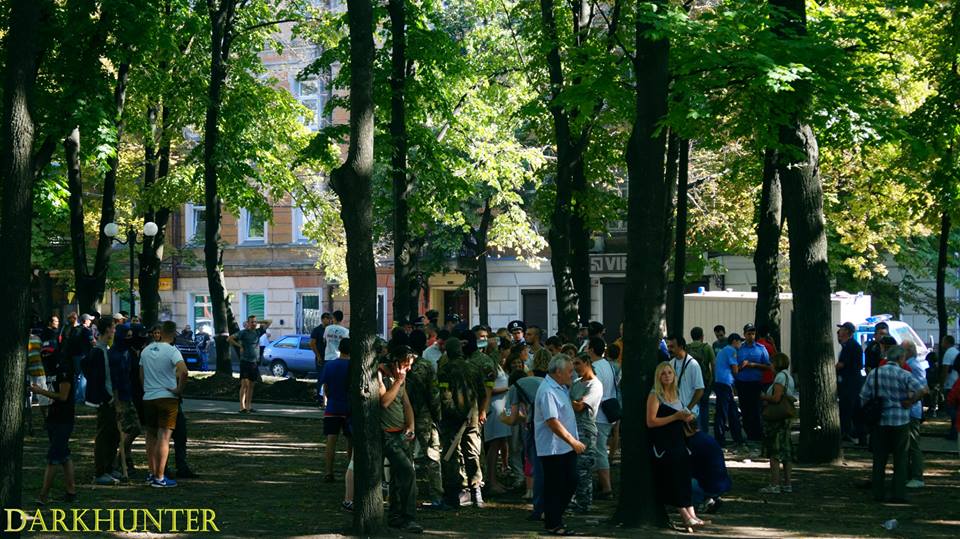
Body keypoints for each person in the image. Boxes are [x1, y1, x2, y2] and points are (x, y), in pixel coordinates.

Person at [860, 345, 928, 502]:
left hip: (880, 421)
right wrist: (910, 401)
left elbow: (864, 396)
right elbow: (923, 390)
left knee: (879, 458)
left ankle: (878, 492)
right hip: (900, 420)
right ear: (901, 359)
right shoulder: (904, 374)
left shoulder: (875, 374)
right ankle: (898, 493)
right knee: (900, 458)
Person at [647, 361, 705, 527]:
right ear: (658, 376)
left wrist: (688, 420)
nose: (667, 376)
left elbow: (681, 418)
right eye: (663, 373)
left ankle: (692, 514)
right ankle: (685, 516)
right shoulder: (655, 395)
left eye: (669, 373)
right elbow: (650, 421)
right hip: (664, 445)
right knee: (674, 478)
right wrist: (675, 417)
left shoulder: (676, 394)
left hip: (680, 441)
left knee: (685, 476)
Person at [534, 356, 585, 535]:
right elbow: (552, 421)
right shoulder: (548, 390)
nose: (572, 375)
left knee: (570, 481)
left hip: (565, 446)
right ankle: (553, 522)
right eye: (569, 371)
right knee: (556, 485)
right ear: (558, 372)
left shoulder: (560, 387)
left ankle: (554, 517)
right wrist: (573, 441)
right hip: (553, 447)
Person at [436, 337, 486, 508]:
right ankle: (476, 494)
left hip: (452, 420)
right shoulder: (474, 368)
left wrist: (454, 413)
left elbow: (445, 396)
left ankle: (452, 497)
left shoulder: (445, 370)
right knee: (472, 454)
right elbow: (482, 391)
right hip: (472, 418)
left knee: (450, 457)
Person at [378, 346, 423, 533]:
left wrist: (411, 425)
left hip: (401, 433)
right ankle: (408, 517)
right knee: (408, 472)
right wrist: (398, 380)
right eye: (406, 364)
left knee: (399, 477)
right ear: (396, 362)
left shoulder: (401, 378)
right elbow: (385, 401)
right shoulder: (381, 375)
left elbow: (406, 404)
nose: (409, 369)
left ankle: (395, 515)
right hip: (386, 434)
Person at [140, 321, 188, 488]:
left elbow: (142, 374)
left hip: (148, 397)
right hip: (167, 397)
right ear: (173, 333)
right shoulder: (172, 351)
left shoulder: (145, 350)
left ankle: (151, 473)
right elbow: (184, 371)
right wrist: (178, 389)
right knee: (164, 438)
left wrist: (147, 388)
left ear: (160, 332)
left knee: (150, 437)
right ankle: (160, 477)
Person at [500, 358, 545, 518]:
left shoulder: (514, 388)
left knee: (537, 465)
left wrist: (502, 418)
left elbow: (511, 419)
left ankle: (539, 508)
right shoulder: (539, 381)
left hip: (536, 428)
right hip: (550, 423)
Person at [31, 352, 78, 504]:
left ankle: (43, 495)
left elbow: (63, 396)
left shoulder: (64, 371)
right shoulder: (50, 370)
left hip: (64, 419)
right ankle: (71, 491)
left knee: (53, 458)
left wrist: (40, 392)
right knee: (64, 455)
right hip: (54, 417)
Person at [404, 336, 445, 508]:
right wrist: (437, 416)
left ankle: (407, 493)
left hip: (403, 415)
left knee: (405, 455)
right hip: (424, 415)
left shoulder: (401, 365)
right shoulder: (427, 366)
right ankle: (436, 494)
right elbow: (434, 394)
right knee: (432, 456)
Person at [759, 353, 796, 494]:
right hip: (785, 419)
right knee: (786, 451)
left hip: (777, 419)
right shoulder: (789, 377)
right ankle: (787, 483)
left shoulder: (780, 377)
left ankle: (774, 484)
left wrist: (763, 396)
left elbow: (776, 397)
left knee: (775, 451)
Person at [90, 318, 121, 485]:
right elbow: (96, 378)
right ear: (107, 329)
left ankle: (109, 467)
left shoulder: (106, 349)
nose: (115, 331)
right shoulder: (98, 351)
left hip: (109, 398)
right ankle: (100, 471)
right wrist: (105, 397)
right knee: (103, 435)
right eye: (113, 328)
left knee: (114, 434)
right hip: (104, 400)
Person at [570, 352, 602, 514]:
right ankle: (575, 500)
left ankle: (584, 504)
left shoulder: (594, 385)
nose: (575, 368)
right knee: (573, 469)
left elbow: (579, 406)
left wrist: (565, 400)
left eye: (578, 364)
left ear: (587, 363)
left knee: (583, 469)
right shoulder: (576, 382)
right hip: (572, 429)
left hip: (586, 431)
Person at [588, 337, 618, 499]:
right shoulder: (608, 365)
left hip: (599, 413)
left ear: (591, 349)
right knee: (600, 450)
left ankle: (606, 488)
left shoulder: (595, 367)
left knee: (599, 451)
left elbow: (593, 391)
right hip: (608, 412)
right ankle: (603, 483)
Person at [483, 342, 515, 495]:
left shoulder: (500, 366)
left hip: (504, 407)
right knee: (494, 444)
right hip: (496, 408)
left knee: (502, 441)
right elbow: (488, 388)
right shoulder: (492, 367)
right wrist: (507, 388)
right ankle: (491, 480)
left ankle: (494, 478)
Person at [319, 338, 352, 483]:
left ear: (339, 348)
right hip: (349, 409)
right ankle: (351, 472)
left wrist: (329, 398)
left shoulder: (330, 365)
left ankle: (328, 472)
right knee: (351, 442)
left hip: (332, 407)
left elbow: (325, 387)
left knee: (331, 441)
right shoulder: (353, 366)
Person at [734, 324, 770, 443]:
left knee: (756, 408)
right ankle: (748, 433)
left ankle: (757, 434)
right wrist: (741, 367)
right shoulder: (739, 349)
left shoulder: (761, 348)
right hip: (742, 383)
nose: (751, 336)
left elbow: (767, 366)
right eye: (749, 333)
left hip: (755, 383)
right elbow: (733, 365)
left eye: (753, 333)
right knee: (744, 408)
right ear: (744, 334)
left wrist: (753, 365)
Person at [902, 340, 927, 488]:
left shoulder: (913, 366)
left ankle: (917, 476)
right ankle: (910, 474)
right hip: (911, 409)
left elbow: (923, 389)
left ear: (909, 351)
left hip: (912, 410)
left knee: (913, 444)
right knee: (908, 444)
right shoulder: (911, 365)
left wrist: (910, 401)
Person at [713, 333, 744, 448]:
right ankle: (719, 439)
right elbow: (735, 370)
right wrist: (744, 365)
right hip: (725, 383)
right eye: (740, 341)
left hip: (721, 382)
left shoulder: (723, 350)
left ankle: (738, 437)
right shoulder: (732, 351)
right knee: (722, 412)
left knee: (733, 412)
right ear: (735, 341)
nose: (740, 344)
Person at [667, 335, 705, 425]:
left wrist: (688, 409)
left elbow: (700, 390)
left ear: (681, 347)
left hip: (689, 414)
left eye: (672, 346)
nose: (669, 349)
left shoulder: (693, 364)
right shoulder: (671, 364)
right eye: (668, 346)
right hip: (675, 412)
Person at [836, 321, 865, 443]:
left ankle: (847, 432)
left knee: (847, 408)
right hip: (854, 381)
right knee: (855, 408)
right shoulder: (851, 345)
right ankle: (859, 434)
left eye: (841, 329)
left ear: (847, 331)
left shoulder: (849, 346)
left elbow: (842, 365)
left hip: (849, 382)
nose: (839, 332)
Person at [228, 317, 263, 413]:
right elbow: (229, 339)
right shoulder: (243, 333)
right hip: (245, 362)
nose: (254, 324)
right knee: (245, 384)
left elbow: (270, 322)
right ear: (248, 323)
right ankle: (242, 407)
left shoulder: (258, 332)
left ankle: (248, 406)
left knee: (251, 385)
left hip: (254, 362)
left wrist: (258, 322)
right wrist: (239, 346)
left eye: (255, 322)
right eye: (252, 322)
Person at [687, 327, 716, 434]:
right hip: (704, 382)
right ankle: (704, 432)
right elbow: (713, 364)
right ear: (702, 336)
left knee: (692, 406)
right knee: (704, 407)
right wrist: (713, 379)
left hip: (690, 383)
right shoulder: (707, 347)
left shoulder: (687, 347)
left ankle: (693, 430)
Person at [940, 335, 959, 441]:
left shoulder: (948, 353)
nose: (942, 344)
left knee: (951, 409)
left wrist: (942, 384)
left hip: (951, 384)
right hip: (955, 382)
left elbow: (945, 370)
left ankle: (954, 431)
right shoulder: (955, 352)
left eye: (943, 341)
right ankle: (954, 430)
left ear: (947, 342)